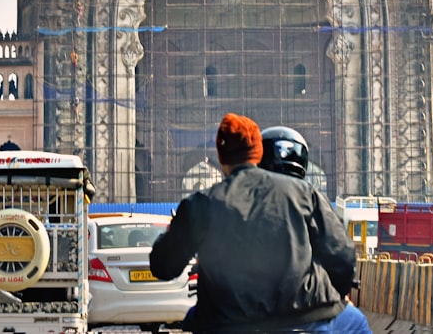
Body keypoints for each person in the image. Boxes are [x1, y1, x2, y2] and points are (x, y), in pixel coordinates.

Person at [150, 113, 357, 333]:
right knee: (357, 323)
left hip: (226, 324)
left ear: (221, 157)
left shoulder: (200, 204)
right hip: (305, 318)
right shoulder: (304, 194)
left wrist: (173, 233)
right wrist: (330, 296)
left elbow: (163, 266)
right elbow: (342, 257)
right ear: (258, 152)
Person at [258, 125, 372, 334]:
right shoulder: (309, 197)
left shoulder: (238, 200)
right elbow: (341, 255)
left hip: (249, 314)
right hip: (309, 313)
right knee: (357, 323)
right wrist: (340, 292)